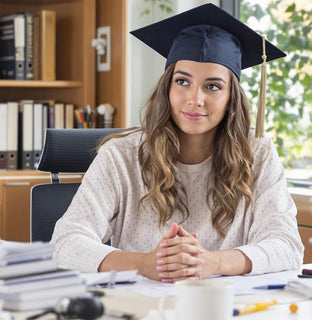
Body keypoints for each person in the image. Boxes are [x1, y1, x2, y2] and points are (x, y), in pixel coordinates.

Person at [51, 3, 303, 282]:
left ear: (232, 97)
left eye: (213, 86)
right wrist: (147, 264)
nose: (195, 99)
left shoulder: (257, 154)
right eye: (183, 81)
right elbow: (65, 243)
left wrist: (212, 261)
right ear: (167, 88)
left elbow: (287, 245)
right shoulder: (121, 156)